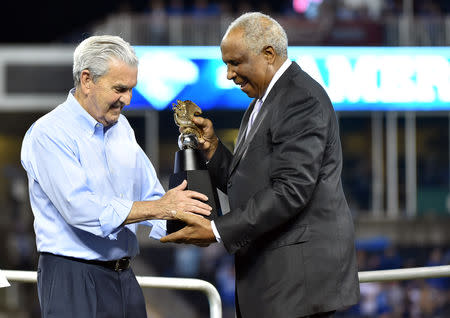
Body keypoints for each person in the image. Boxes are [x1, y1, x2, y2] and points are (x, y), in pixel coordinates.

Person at [161, 12, 360, 317]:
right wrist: (214, 149)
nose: (229, 74)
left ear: (268, 54)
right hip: (277, 278)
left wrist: (216, 230)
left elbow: (291, 191)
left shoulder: (300, 99)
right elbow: (250, 181)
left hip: (297, 285)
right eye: (226, 64)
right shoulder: (263, 101)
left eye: (235, 62)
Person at [20, 35, 212, 318]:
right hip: (72, 278)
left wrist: (188, 226)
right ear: (87, 80)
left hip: (124, 277)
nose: (128, 99)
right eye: (120, 89)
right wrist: (162, 207)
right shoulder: (48, 133)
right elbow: (81, 209)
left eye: (132, 89)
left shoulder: (123, 128)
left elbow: (152, 196)